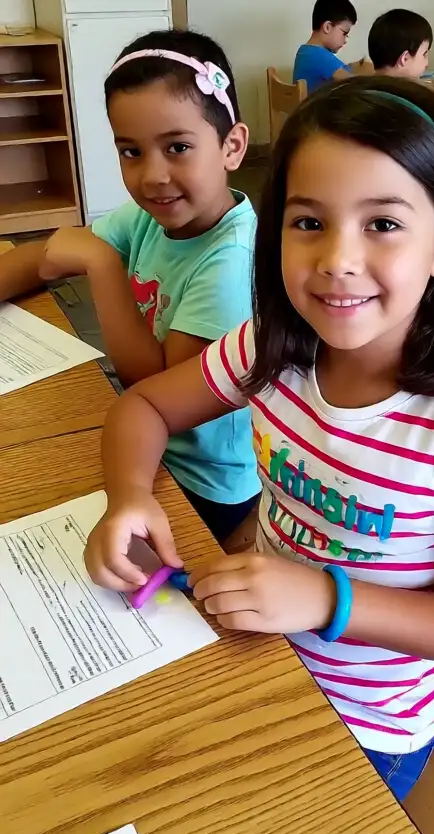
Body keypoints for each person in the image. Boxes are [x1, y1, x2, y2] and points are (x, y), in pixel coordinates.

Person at [84, 77, 434, 802]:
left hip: (368, 721)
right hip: (253, 642)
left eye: (383, 224)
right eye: (308, 223)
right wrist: (127, 499)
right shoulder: (274, 347)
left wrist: (326, 599)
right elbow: (143, 407)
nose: (337, 258)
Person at [0, 30, 261, 545]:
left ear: (232, 146)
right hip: (142, 441)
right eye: (131, 151)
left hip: (205, 482)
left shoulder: (231, 259)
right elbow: (45, 257)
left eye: (178, 147)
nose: (153, 176)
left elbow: (152, 380)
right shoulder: (150, 217)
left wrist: (102, 265)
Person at [293, 0, 357, 92]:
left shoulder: (305, 51)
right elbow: (351, 81)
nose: (345, 40)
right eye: (345, 33)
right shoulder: (317, 55)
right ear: (327, 27)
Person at [368, 9, 433, 80]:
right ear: (405, 58)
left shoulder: (359, 87)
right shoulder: (409, 90)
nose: (427, 64)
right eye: (424, 54)